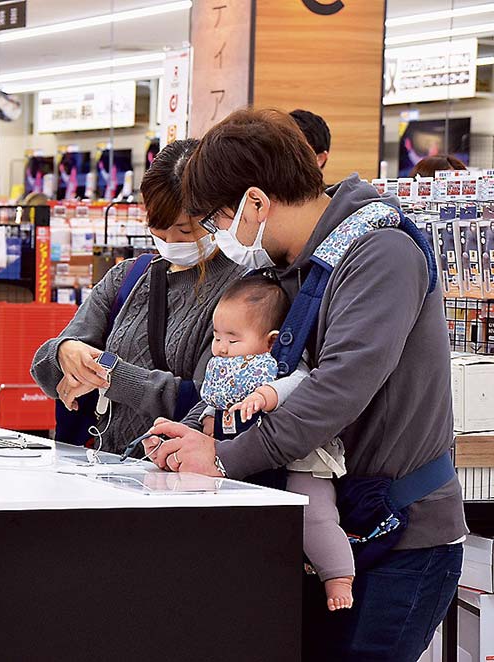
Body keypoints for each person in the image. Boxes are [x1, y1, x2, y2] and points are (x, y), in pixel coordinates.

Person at [144, 108, 465, 662]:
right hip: (331, 525)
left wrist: (225, 459)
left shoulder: (378, 252)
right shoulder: (296, 263)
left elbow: (340, 385)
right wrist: (202, 431)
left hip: (401, 538)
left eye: (219, 221)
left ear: (256, 202)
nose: (221, 238)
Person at [30, 140, 243, 454]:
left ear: (218, 214)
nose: (170, 241)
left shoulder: (242, 290)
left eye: (185, 231)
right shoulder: (129, 275)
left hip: (172, 472)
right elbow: (45, 367)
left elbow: (208, 399)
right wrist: (65, 350)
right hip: (98, 463)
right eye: (158, 229)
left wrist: (108, 374)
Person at [199, 277, 353, 612]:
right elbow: (213, 399)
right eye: (217, 337)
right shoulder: (224, 368)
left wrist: (266, 395)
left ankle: (338, 574)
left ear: (269, 342)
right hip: (248, 463)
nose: (221, 347)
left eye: (232, 338)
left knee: (316, 515)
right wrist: (208, 419)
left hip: (301, 459)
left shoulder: (282, 364)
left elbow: (300, 383)